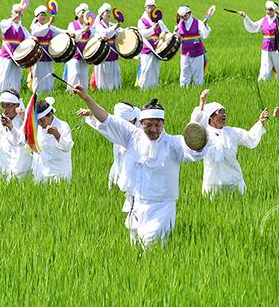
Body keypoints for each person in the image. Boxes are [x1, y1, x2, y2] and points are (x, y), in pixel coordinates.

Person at [73, 84, 208, 247]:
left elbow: (194, 150)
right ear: (141, 122)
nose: (153, 130)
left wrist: (198, 142)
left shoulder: (173, 143)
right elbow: (107, 119)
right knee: (135, 244)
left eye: (157, 125)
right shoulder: (132, 136)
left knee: (152, 243)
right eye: (148, 125)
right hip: (136, 203)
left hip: (162, 207)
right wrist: (86, 98)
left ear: (163, 124)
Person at [190, 89, 270, 196]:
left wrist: (260, 122)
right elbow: (193, 129)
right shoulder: (204, 134)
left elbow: (250, 138)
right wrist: (201, 104)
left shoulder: (232, 132)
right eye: (220, 112)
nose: (224, 115)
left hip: (234, 183)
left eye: (225, 112)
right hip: (213, 186)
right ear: (211, 117)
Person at [31, 97, 74, 183]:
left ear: (50, 114)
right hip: (41, 173)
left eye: (42, 120)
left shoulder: (62, 126)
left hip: (59, 174)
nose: (40, 123)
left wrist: (57, 135)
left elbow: (67, 147)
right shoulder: (37, 127)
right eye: (38, 121)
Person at [0, 3, 31, 93]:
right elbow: (4, 25)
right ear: (11, 13)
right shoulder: (5, 23)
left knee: (16, 75)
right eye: (16, 13)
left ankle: (15, 93)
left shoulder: (23, 29)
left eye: (19, 14)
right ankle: (0, 92)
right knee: (4, 74)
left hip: (18, 56)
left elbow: (30, 39)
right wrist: (13, 18)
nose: (18, 15)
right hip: (6, 54)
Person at [240, 1, 279, 81]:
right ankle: (263, 83)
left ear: (274, 10)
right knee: (264, 67)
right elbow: (254, 26)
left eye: (270, 10)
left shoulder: (277, 20)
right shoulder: (264, 20)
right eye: (267, 10)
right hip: (265, 48)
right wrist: (245, 17)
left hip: (276, 48)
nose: (268, 12)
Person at [30, 5, 65, 93]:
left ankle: (48, 91)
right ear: (37, 17)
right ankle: (37, 92)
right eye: (41, 15)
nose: (43, 17)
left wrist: (68, 32)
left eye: (44, 15)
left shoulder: (49, 27)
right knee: (39, 74)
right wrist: (49, 24)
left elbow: (59, 31)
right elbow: (39, 33)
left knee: (49, 73)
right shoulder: (35, 27)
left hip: (48, 54)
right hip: (38, 54)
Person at [137, 0, 170, 89]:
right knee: (145, 69)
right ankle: (143, 87)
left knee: (155, 69)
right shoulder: (141, 20)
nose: (150, 9)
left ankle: (154, 87)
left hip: (157, 49)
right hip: (147, 48)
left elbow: (166, 30)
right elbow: (143, 33)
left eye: (152, 7)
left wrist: (163, 33)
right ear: (145, 8)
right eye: (149, 7)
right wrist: (153, 29)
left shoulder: (158, 21)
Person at [176, 5, 210, 87]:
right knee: (184, 71)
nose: (183, 18)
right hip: (185, 52)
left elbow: (204, 35)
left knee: (197, 72)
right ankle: (183, 88)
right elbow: (177, 37)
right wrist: (175, 33)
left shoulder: (198, 22)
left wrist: (205, 26)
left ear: (189, 13)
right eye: (181, 16)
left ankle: (197, 89)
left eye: (184, 15)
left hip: (197, 52)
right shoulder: (180, 24)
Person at [93, 3, 122, 90]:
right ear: (101, 15)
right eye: (106, 12)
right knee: (105, 71)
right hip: (104, 52)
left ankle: (114, 88)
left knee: (114, 70)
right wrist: (114, 28)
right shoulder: (99, 26)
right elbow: (105, 34)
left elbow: (121, 31)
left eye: (109, 12)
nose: (108, 14)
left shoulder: (112, 25)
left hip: (113, 51)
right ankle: (104, 88)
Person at [66, 3, 92, 90]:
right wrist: (83, 30)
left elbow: (96, 35)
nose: (83, 14)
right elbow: (74, 36)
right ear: (77, 14)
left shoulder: (88, 27)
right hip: (74, 53)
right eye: (82, 12)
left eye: (85, 13)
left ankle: (84, 92)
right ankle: (71, 91)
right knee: (75, 73)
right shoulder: (72, 24)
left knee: (84, 74)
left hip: (84, 54)